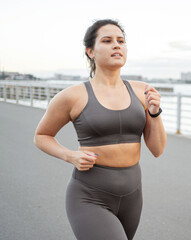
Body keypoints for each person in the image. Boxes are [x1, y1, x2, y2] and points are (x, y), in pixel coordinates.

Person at [34, 19, 167, 240]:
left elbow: (157, 149)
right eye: (107, 40)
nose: (117, 45)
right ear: (90, 52)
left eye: (121, 41)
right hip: (89, 195)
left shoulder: (143, 91)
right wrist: (70, 155)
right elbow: (41, 136)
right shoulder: (72, 96)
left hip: (133, 194)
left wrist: (154, 113)